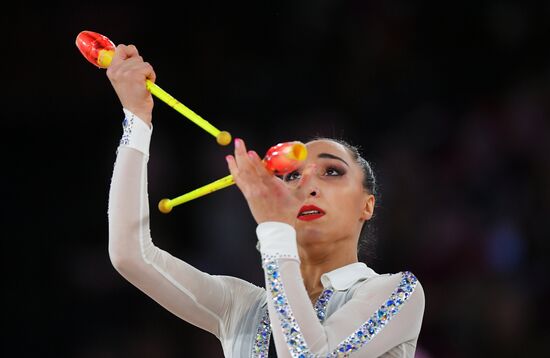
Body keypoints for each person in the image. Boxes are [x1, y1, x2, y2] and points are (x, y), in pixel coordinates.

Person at [106, 43, 425, 358]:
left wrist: (275, 229)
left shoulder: (394, 293)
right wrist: (137, 118)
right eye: (293, 176)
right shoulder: (241, 306)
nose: (308, 185)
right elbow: (130, 253)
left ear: (366, 205)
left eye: (331, 171)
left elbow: (307, 356)